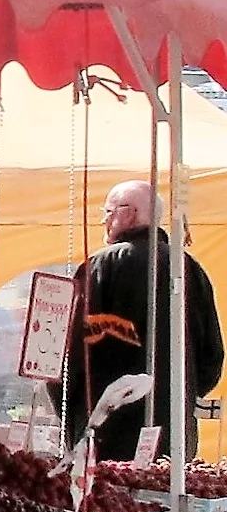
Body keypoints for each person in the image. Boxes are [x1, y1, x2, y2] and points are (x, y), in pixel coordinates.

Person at [48, 180, 224, 461]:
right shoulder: (191, 270)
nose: (104, 220)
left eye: (108, 212)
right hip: (175, 436)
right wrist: (177, 394)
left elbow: (66, 356)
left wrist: (72, 416)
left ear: (128, 214)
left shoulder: (98, 267)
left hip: (106, 434)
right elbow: (212, 359)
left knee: (109, 502)